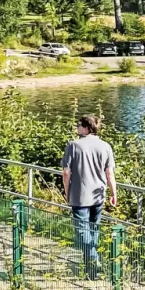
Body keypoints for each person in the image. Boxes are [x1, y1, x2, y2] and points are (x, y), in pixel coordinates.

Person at [61, 114, 116, 279]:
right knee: (94, 230)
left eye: (79, 125)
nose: (77, 128)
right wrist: (114, 193)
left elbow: (65, 173)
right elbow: (109, 173)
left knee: (82, 231)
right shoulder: (105, 146)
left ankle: (94, 263)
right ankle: (91, 271)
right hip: (98, 195)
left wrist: (67, 191)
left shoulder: (73, 146)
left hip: (79, 195)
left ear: (86, 127)